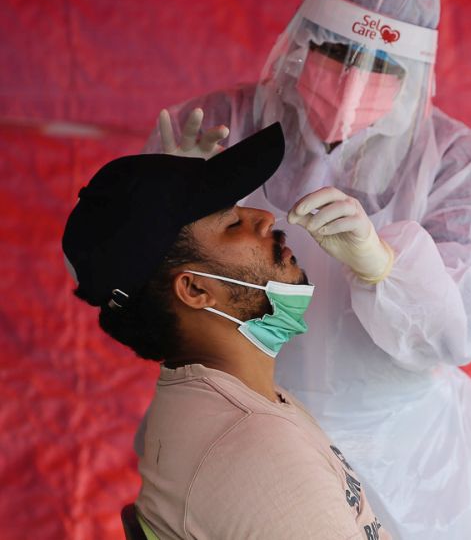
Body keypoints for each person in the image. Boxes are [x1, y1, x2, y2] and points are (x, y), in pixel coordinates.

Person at [149, 0, 471, 537]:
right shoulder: (221, 127)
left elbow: (458, 331)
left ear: (415, 72)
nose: (353, 81)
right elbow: (119, 285)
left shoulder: (450, 162)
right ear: (303, 37)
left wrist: (386, 266)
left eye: (381, 65)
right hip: (239, 425)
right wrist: (157, 205)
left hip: (410, 462)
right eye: (336, 51)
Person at [63, 123, 389, 540]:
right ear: (195, 289)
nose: (264, 218)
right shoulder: (257, 452)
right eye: (232, 223)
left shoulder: (232, 406)